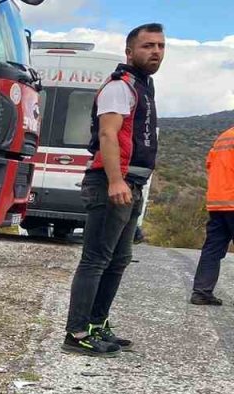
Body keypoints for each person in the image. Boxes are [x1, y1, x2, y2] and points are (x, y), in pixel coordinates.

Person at [61, 23, 165, 357]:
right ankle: (76, 332)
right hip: (111, 183)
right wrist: (116, 180)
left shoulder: (142, 87)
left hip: (131, 184)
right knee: (95, 259)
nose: (156, 52)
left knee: (118, 260)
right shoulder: (120, 87)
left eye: (161, 46)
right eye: (148, 46)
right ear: (130, 51)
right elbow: (108, 135)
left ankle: (96, 324)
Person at [190, 125, 234, 305]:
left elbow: (210, 164)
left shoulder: (224, 137)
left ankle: (201, 292)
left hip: (217, 202)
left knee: (213, 249)